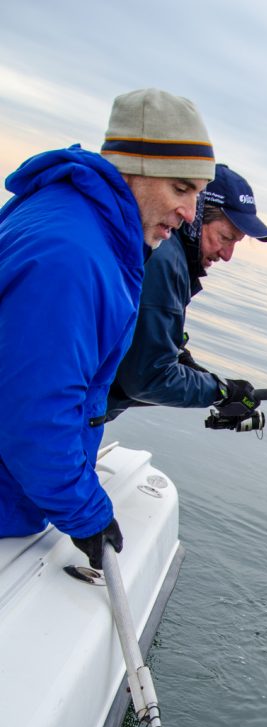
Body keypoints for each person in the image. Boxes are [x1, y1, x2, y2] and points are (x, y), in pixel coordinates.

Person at [0, 88, 215, 568]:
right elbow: (35, 407)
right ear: (134, 169)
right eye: (181, 189)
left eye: (197, 196)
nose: (188, 215)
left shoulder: (72, 217)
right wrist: (85, 512)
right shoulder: (74, 256)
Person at [105, 163, 267, 424]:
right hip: (69, 418)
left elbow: (136, 340)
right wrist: (221, 392)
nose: (227, 255)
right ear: (196, 216)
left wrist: (181, 358)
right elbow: (146, 378)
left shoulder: (164, 250)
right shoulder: (165, 259)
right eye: (226, 237)